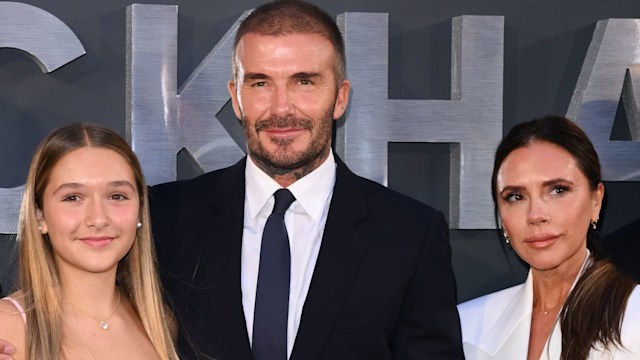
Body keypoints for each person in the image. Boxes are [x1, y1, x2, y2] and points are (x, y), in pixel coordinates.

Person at [149, 0, 463, 359]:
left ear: (340, 97)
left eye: (304, 82)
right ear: (236, 98)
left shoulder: (408, 235)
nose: (282, 108)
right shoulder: (168, 219)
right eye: (261, 83)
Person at [457, 115, 640, 359]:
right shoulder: (465, 325)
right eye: (515, 196)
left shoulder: (634, 317)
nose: (536, 215)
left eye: (558, 190)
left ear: (596, 200)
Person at [0, 123, 179, 359]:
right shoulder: (8, 326)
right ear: (39, 215)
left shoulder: (159, 323)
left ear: (140, 210)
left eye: (117, 196)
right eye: (73, 197)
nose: (98, 219)